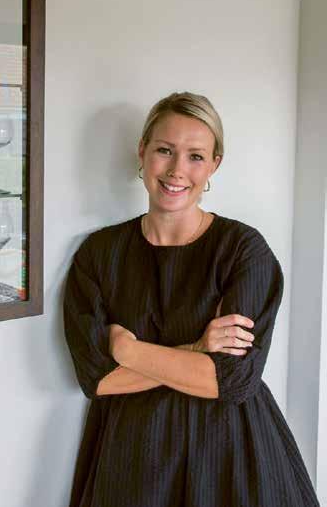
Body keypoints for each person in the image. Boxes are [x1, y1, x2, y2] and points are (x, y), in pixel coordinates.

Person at [63, 91, 320, 506]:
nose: (177, 170)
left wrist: (128, 350)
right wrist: (197, 350)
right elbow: (98, 379)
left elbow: (232, 380)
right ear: (142, 151)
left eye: (195, 156)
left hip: (229, 454)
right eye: (165, 150)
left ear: (214, 164)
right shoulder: (100, 253)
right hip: (132, 457)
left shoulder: (244, 250)